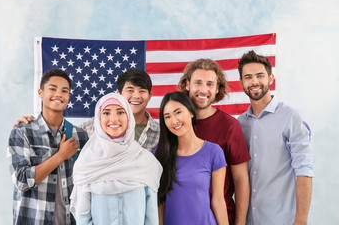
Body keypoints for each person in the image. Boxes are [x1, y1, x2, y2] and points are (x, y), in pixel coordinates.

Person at [237, 50, 314, 225]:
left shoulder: (291, 117)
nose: (254, 81)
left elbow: (304, 170)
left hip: (283, 220)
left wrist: (301, 220)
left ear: (271, 79)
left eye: (260, 76)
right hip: (250, 220)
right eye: (248, 77)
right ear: (241, 82)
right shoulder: (240, 123)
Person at [7, 68, 89, 225]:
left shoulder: (80, 135)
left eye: (64, 91)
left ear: (69, 97)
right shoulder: (22, 131)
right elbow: (21, 180)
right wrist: (60, 156)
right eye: (52, 89)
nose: (58, 94)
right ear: (40, 93)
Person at [70, 92, 162, 225]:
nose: (114, 119)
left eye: (120, 112)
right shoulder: (86, 164)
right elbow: (83, 218)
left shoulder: (146, 162)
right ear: (98, 118)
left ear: (129, 117)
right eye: (106, 113)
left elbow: (151, 218)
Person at [14, 68, 159, 152]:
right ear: (118, 94)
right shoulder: (92, 127)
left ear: (150, 96)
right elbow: (58, 137)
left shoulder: (161, 133)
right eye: (130, 90)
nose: (136, 96)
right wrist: (35, 123)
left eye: (142, 91)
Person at [178, 59, 250, 225]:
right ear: (187, 85)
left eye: (210, 84)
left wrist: (239, 223)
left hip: (221, 219)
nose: (203, 90)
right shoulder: (176, 125)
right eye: (198, 83)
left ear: (217, 88)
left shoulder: (230, 126)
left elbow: (241, 180)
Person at [155, 91, 228, 225]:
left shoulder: (214, 152)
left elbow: (218, 200)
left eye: (178, 112)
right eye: (167, 116)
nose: (174, 121)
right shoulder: (160, 154)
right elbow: (159, 202)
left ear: (191, 112)